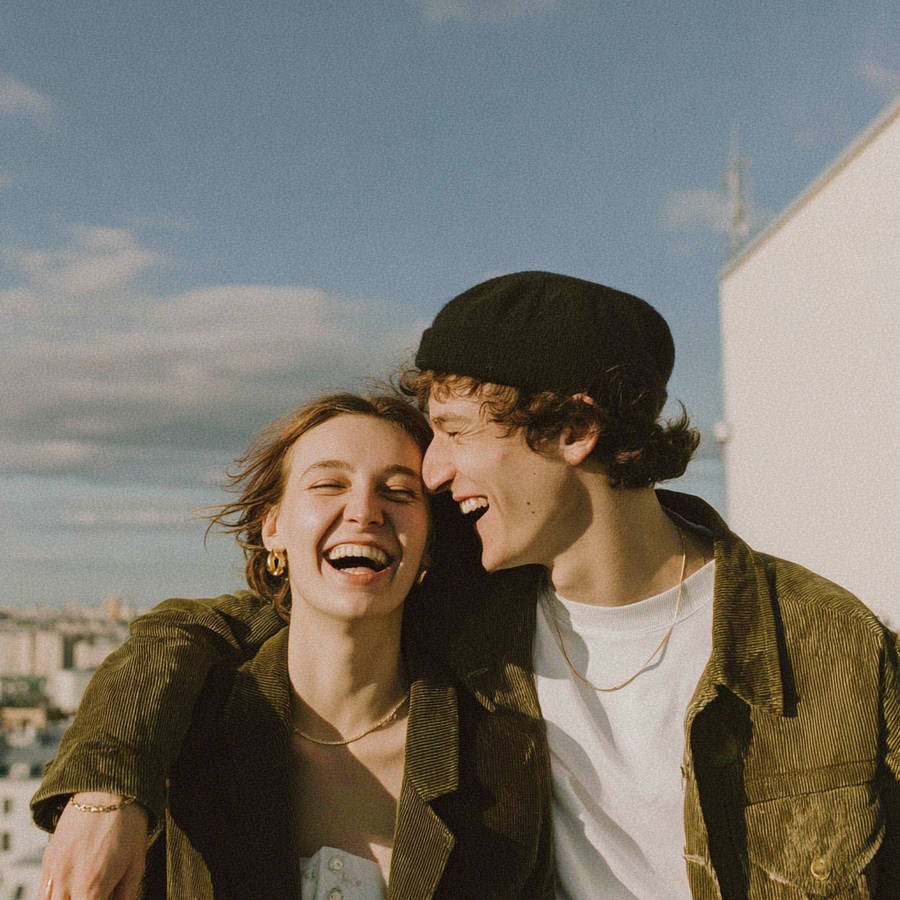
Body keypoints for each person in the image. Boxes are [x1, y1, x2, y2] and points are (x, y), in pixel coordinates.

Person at [35, 272, 899, 898]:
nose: (436, 470)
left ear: (572, 429)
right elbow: (215, 624)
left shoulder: (830, 645)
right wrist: (109, 786)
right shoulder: (478, 612)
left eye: (450, 432)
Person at [34, 392, 553, 899]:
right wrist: (102, 793)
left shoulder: (497, 755)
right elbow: (174, 636)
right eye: (328, 484)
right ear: (273, 526)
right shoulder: (195, 721)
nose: (364, 510)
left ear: (428, 545)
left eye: (398, 492)